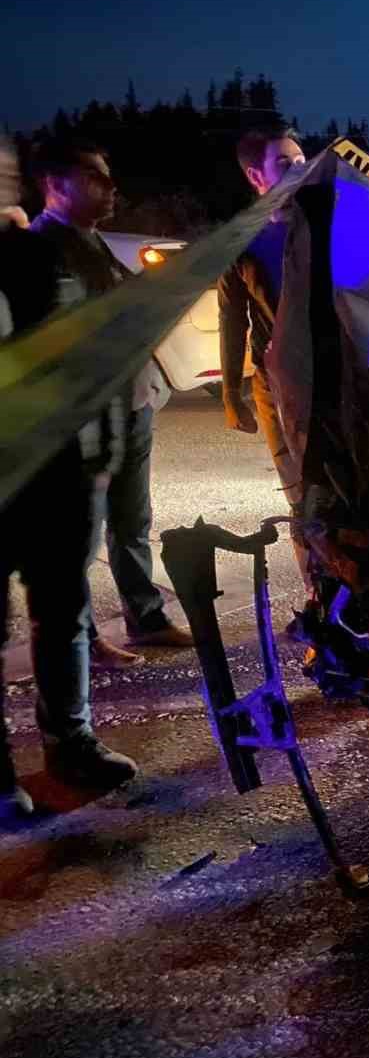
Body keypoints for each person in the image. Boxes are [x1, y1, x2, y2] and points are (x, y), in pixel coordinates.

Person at [1, 135, 138, 816]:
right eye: (94, 176)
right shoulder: (20, 252)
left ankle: (72, 744)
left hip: (67, 469)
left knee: (62, 613)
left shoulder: (70, 255)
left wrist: (103, 457)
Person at [29, 138, 193, 666]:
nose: (112, 188)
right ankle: (77, 638)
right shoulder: (38, 250)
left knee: (131, 522)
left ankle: (146, 617)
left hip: (132, 403)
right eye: (95, 177)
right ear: (55, 186)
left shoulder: (95, 243)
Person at [219, 126, 309, 581]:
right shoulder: (242, 242)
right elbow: (233, 319)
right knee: (301, 501)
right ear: (257, 175)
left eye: (301, 158)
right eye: (286, 163)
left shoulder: (326, 223)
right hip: (277, 388)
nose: (300, 167)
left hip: (335, 381)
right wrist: (231, 394)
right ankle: (322, 603)